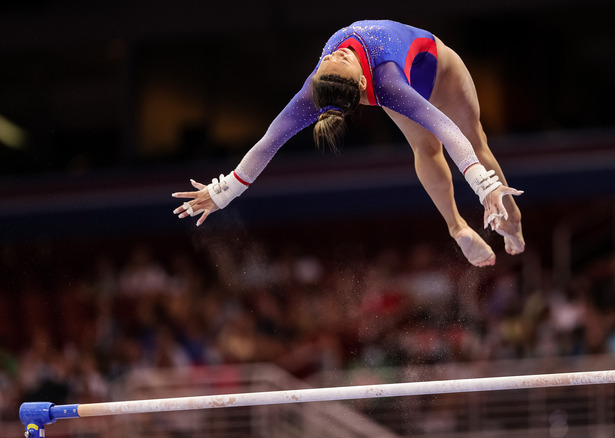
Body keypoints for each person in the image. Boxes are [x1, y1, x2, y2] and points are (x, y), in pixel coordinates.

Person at [172, 20, 525, 267]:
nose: (334, 56)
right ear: (359, 85)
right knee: (465, 144)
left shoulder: (352, 80)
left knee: (437, 148)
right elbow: (268, 144)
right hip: (438, 70)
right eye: (333, 62)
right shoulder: (362, 83)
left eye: (333, 60)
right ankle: (463, 226)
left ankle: (493, 229)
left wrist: (223, 191)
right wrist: (223, 193)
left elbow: (266, 144)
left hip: (428, 69)